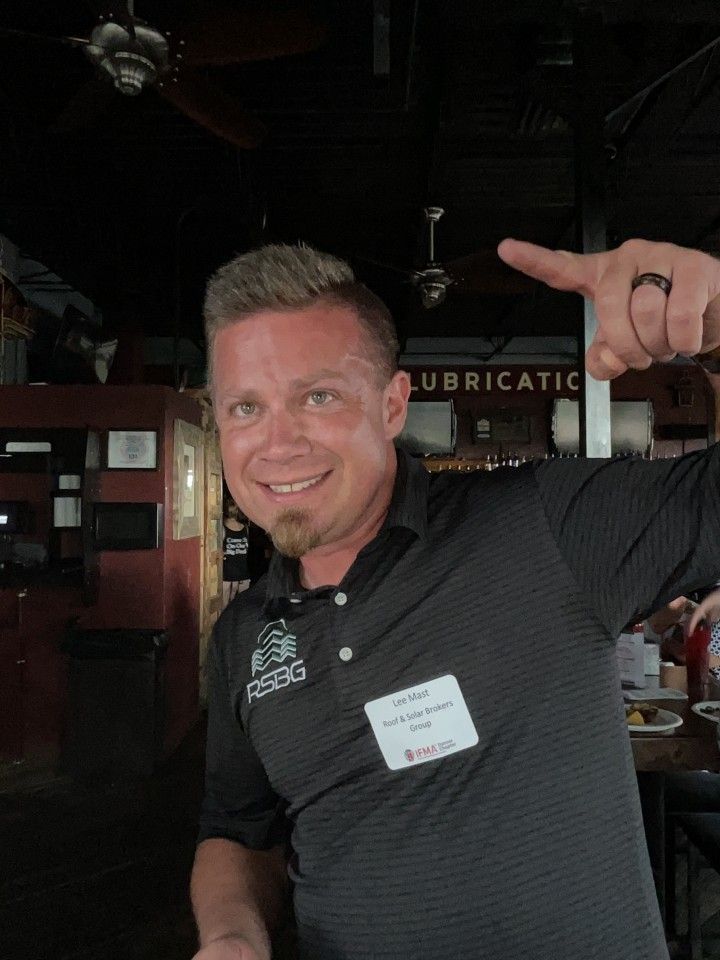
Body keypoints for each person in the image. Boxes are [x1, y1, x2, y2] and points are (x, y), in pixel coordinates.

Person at [191, 237, 720, 960]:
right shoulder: (243, 636)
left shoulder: (542, 522)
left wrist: (719, 328)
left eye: (317, 396)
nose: (277, 442)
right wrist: (231, 935)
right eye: (245, 408)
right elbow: (238, 830)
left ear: (391, 404)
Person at [222, 500, 251, 608]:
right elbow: (247, 549)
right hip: (239, 570)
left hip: (230, 571)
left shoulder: (223, 527)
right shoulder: (245, 528)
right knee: (239, 605)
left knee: (226, 605)